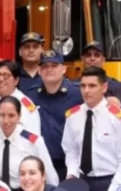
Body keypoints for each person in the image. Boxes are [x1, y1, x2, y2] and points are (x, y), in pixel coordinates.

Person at [30, 50, 83, 182]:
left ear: (64, 69)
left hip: (70, 164)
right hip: (40, 162)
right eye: (45, 66)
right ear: (39, 71)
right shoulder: (30, 96)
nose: (49, 70)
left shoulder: (79, 93)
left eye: (54, 65)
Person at [0, 96, 58, 191]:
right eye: (2, 115)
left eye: (11, 115)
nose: (6, 121)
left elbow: (50, 178)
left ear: (19, 116)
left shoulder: (34, 142)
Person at [0, 60, 41, 135]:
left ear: (16, 80)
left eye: (6, 75)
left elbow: (33, 138)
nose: (1, 79)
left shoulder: (27, 106)